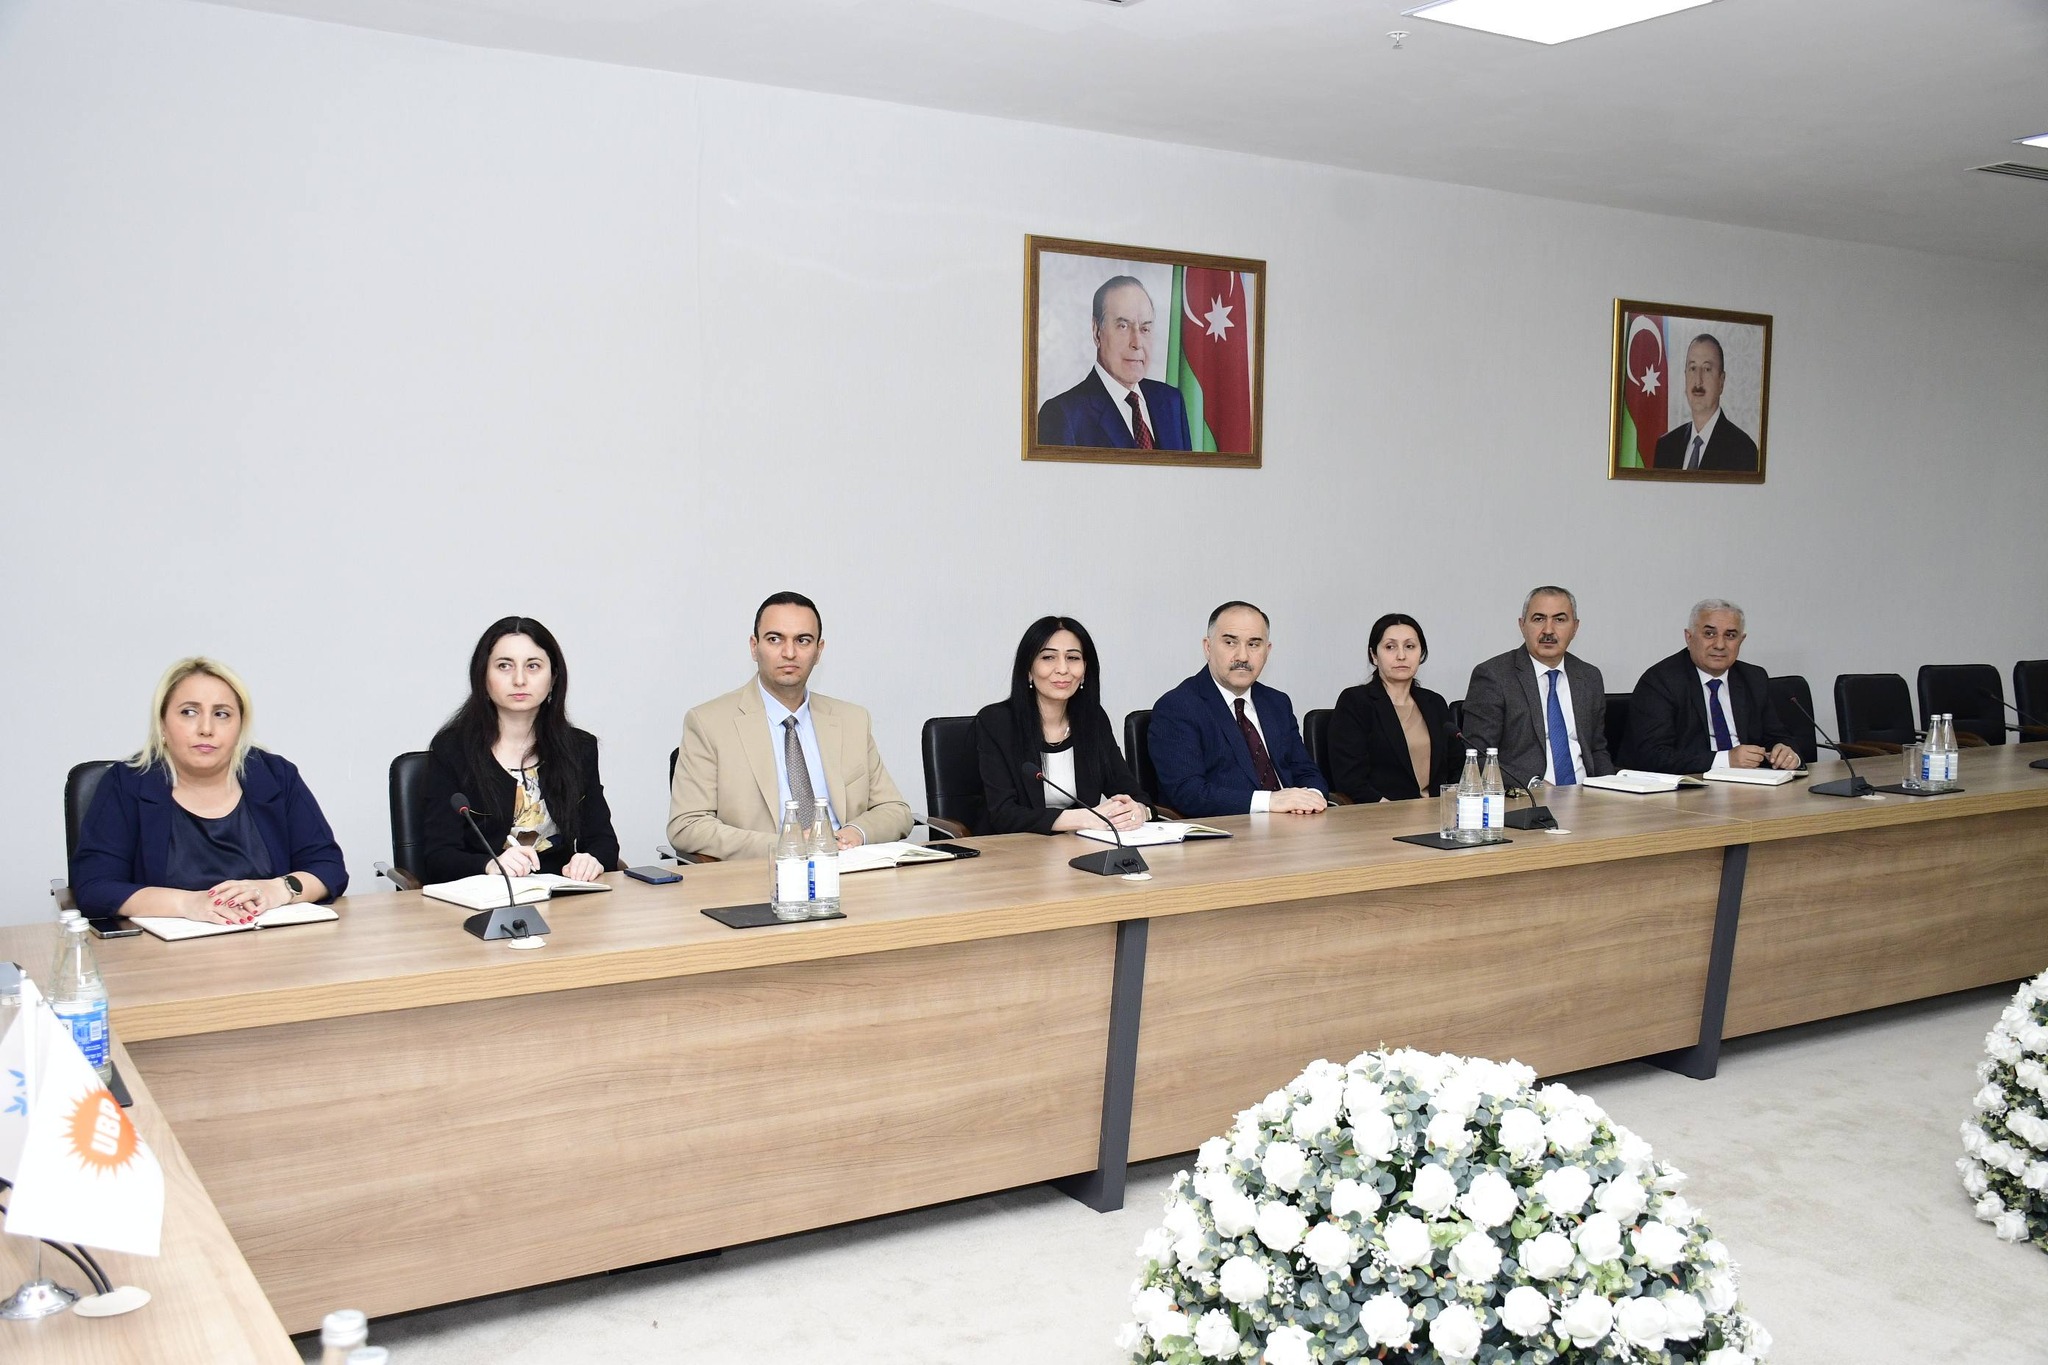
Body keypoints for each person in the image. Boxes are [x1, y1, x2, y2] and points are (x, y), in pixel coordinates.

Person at [70, 657, 347, 923]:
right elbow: (95, 887)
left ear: (240, 727)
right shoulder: (128, 783)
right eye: (189, 712)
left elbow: (328, 867)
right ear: (162, 723)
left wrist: (277, 889)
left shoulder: (275, 776)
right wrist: (187, 904)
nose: (206, 728)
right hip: (164, 950)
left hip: (269, 944)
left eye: (222, 714)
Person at [668, 592, 913, 860]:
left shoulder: (852, 720)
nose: (789, 653)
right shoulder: (708, 723)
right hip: (763, 871)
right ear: (754, 647)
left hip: (848, 868)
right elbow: (687, 825)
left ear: (818, 651)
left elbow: (895, 810)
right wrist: (788, 843)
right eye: (775, 639)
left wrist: (856, 832)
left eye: (802, 640)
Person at [420, 617, 620, 884]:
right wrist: (489, 865)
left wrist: (591, 859)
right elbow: (439, 857)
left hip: (563, 894)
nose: (519, 680)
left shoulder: (578, 748)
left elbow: (603, 841)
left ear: (553, 677)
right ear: (483, 676)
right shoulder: (452, 750)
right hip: (484, 896)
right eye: (504, 666)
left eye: (533, 666)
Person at [1148, 601, 1327, 818]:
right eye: (1230, 642)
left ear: (1267, 650)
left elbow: (1305, 771)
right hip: (1229, 830)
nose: (1242, 656)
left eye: (1254, 644)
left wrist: (1311, 799)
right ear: (1208, 647)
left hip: (1296, 823)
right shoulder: (1178, 707)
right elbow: (1189, 793)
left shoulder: (1277, 702)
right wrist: (1270, 801)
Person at [975, 616, 1149, 836]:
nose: (1063, 669)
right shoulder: (996, 722)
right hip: (1012, 849)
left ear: (1085, 669)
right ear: (1028, 669)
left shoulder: (1093, 719)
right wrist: (1084, 818)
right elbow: (1003, 814)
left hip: (1076, 847)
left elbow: (1132, 793)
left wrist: (1140, 811)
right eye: (1048, 657)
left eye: (1073, 658)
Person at [1462, 586, 1617, 789]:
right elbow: (1478, 757)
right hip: (1526, 797)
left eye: (1559, 620)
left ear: (1575, 627)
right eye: (1538, 619)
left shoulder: (1589, 676)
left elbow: (1597, 749)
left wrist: (1612, 789)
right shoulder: (1494, 676)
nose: (1548, 630)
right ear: (1522, 625)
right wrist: (1534, 786)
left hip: (1587, 795)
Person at [1626, 599, 1802, 773]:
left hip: (1750, 782)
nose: (1719, 645)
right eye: (1709, 634)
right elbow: (1653, 756)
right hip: (1690, 784)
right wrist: (1726, 760)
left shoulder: (1753, 678)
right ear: (1689, 637)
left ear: (1741, 640)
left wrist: (1786, 753)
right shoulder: (1661, 681)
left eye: (1730, 635)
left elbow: (1779, 737)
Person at [1035, 275, 1194, 451]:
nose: (1137, 343)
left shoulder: (1171, 401)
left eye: (1145, 329)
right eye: (1123, 326)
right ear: (1097, 332)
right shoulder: (1062, 415)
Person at [1327, 613, 1461, 804]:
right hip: (1384, 813)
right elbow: (1350, 779)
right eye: (1390, 647)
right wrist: (1389, 810)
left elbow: (1458, 766)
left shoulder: (1435, 703)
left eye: (1410, 646)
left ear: (1421, 654)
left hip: (1436, 812)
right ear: (1374, 655)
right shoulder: (1356, 702)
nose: (1401, 656)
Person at [1653, 333, 1759, 473]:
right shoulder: (1666, 447)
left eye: (1707, 369)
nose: (1698, 381)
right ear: (1685, 376)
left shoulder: (1743, 450)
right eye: (1692, 368)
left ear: (1721, 381)